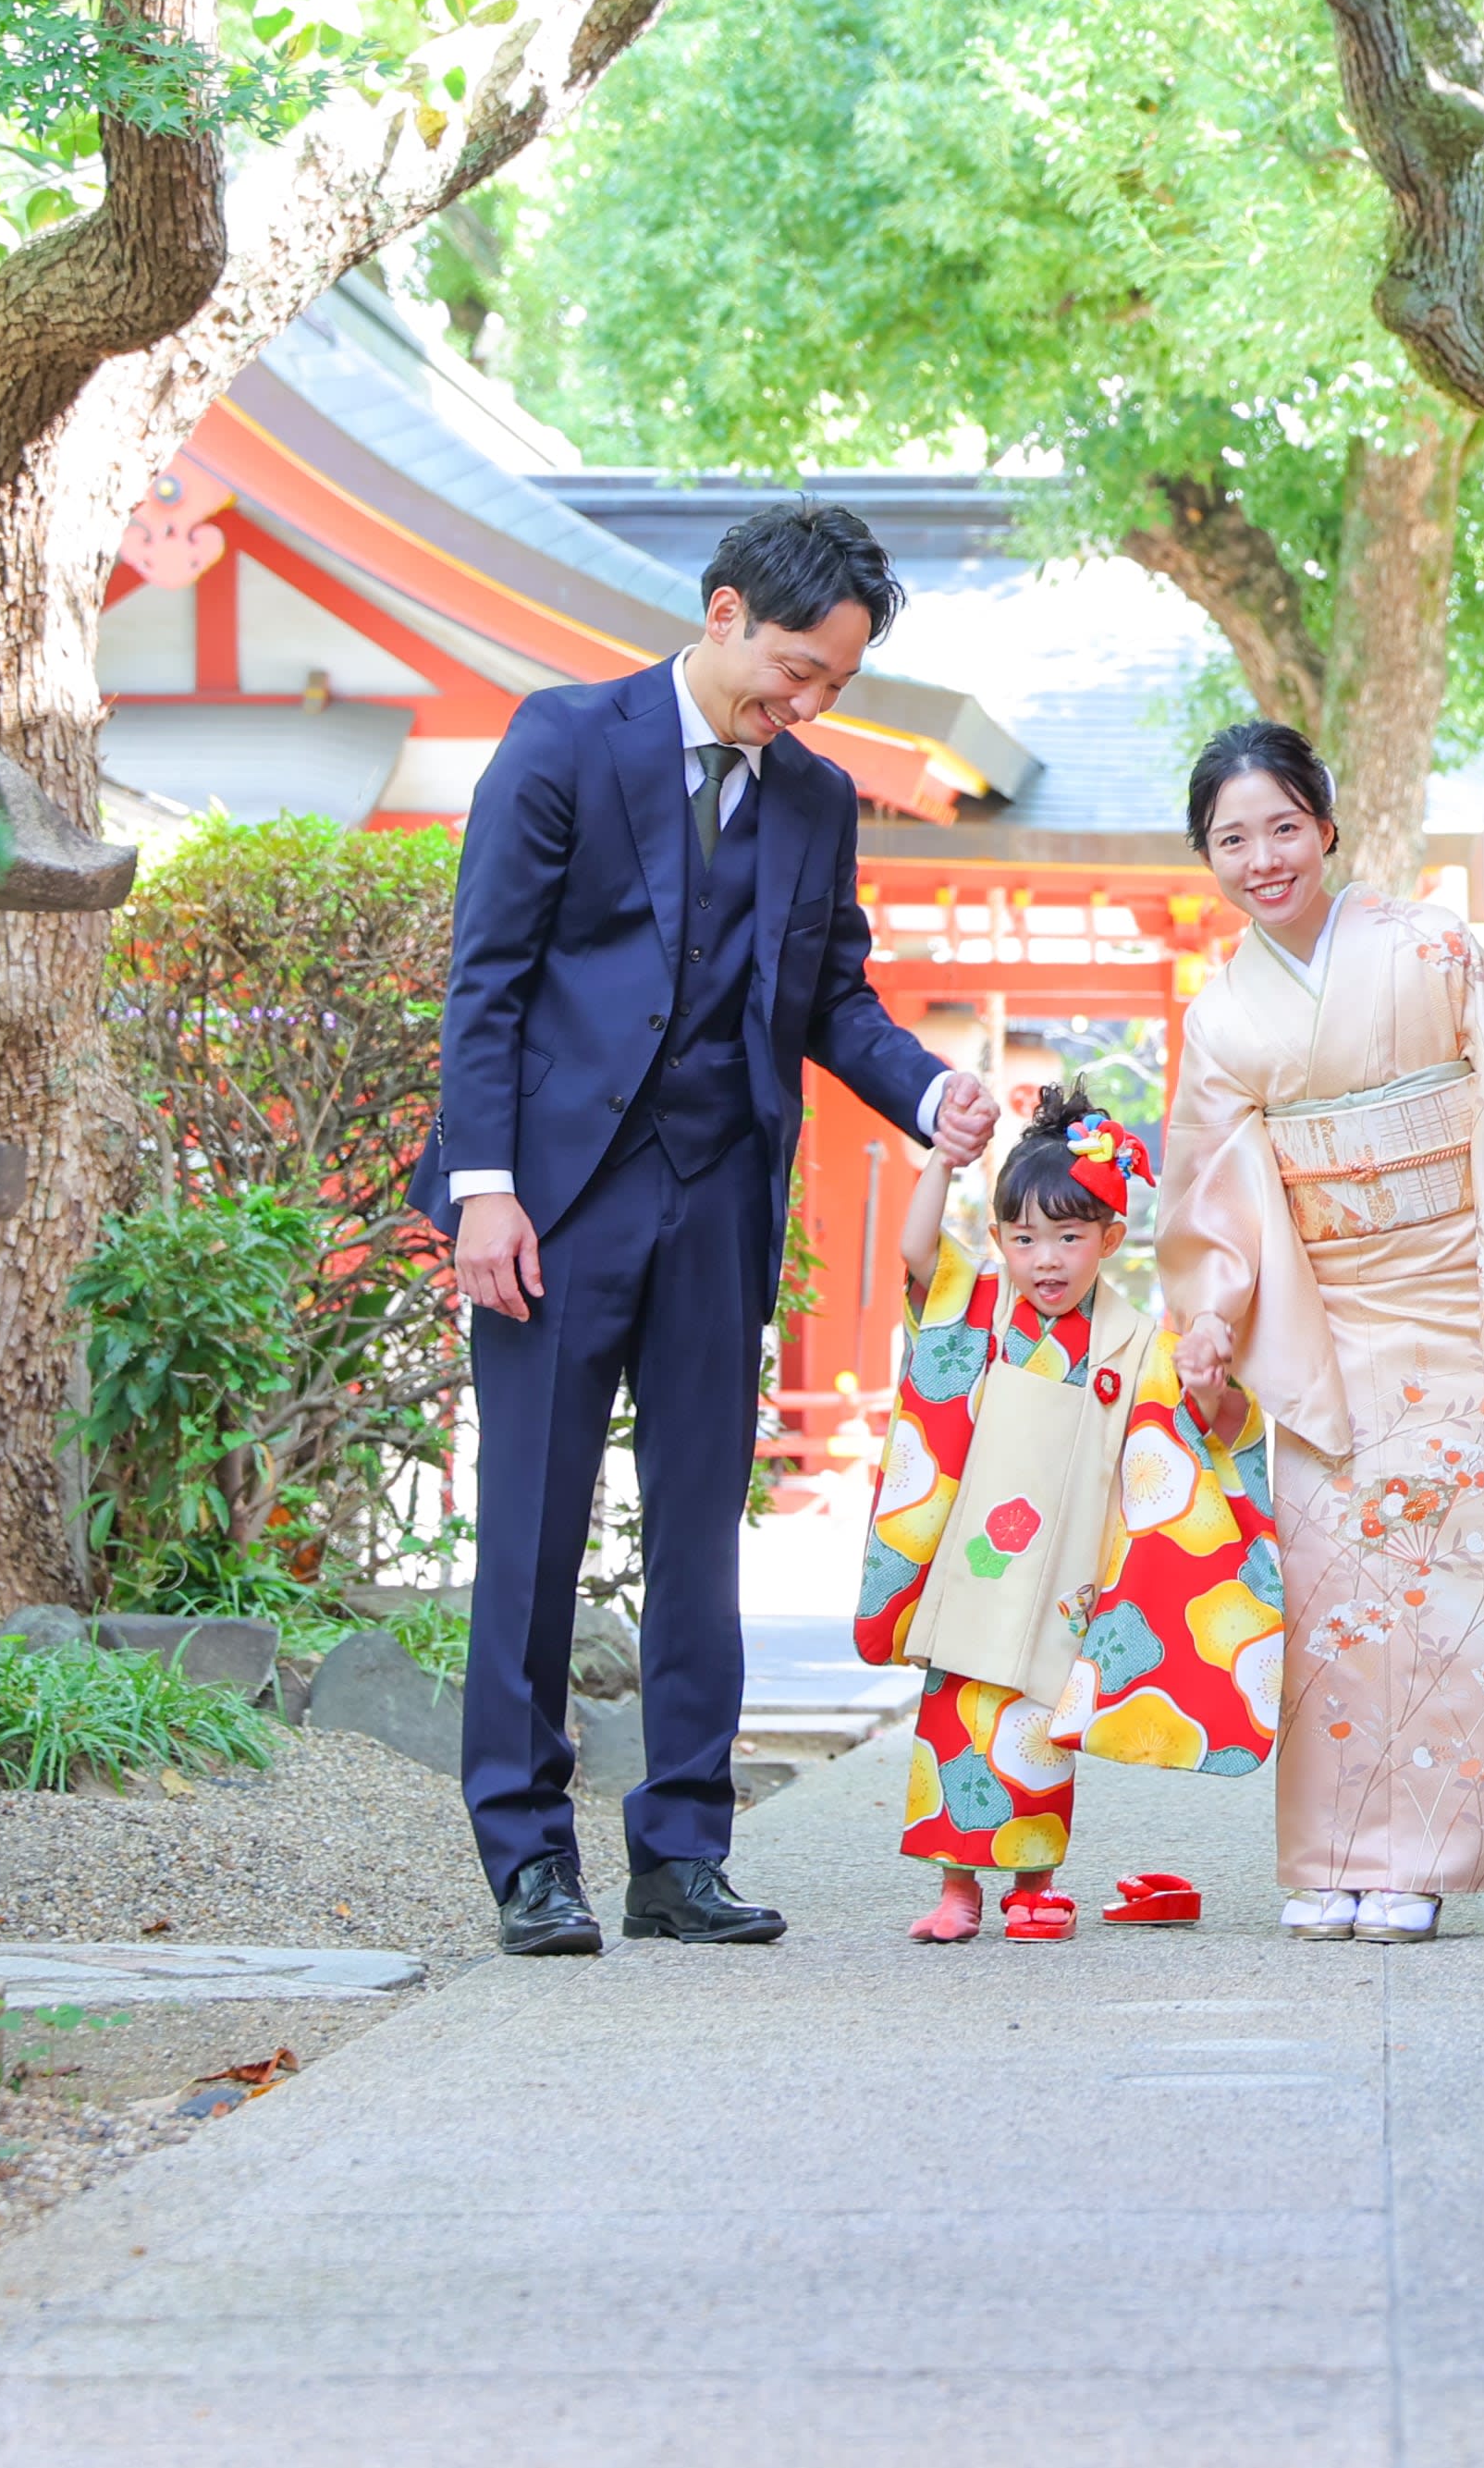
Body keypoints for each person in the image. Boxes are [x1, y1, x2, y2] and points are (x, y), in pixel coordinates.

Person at [417, 501, 1002, 1958]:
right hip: (553, 1204)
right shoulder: (562, 739)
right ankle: (526, 1858)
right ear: (726, 609)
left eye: (834, 688)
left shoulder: (810, 801)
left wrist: (930, 1095)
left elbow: (829, 1003)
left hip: (720, 1199)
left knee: (698, 1535)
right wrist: (482, 1185)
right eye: (795, 668)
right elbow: (485, 979)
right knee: (534, 1531)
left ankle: (681, 1851)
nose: (803, 705)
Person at [1158, 721, 1484, 1944]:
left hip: (1462, 1303)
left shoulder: (1431, 947)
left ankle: (1427, 1861)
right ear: (1205, 856)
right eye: (1232, 838)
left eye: (1282, 826)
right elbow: (1211, 1185)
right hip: (1326, 1327)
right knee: (1338, 1602)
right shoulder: (1221, 1019)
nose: (1262, 856)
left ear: (1326, 827)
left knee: (1461, 1595)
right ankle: (1334, 1854)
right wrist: (1213, 1320)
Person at [852, 1086, 1278, 1940]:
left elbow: (1202, 1432)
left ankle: (1031, 1885)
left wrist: (1206, 1386)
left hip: (1069, 1564)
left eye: (1069, 1236)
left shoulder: (1135, 1343)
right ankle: (957, 1890)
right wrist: (941, 1160)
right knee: (957, 1715)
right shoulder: (978, 1311)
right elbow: (914, 1249)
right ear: (1000, 1239)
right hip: (979, 1554)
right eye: (1023, 1238)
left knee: (1039, 1724)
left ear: (1110, 1239)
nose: (1045, 1258)